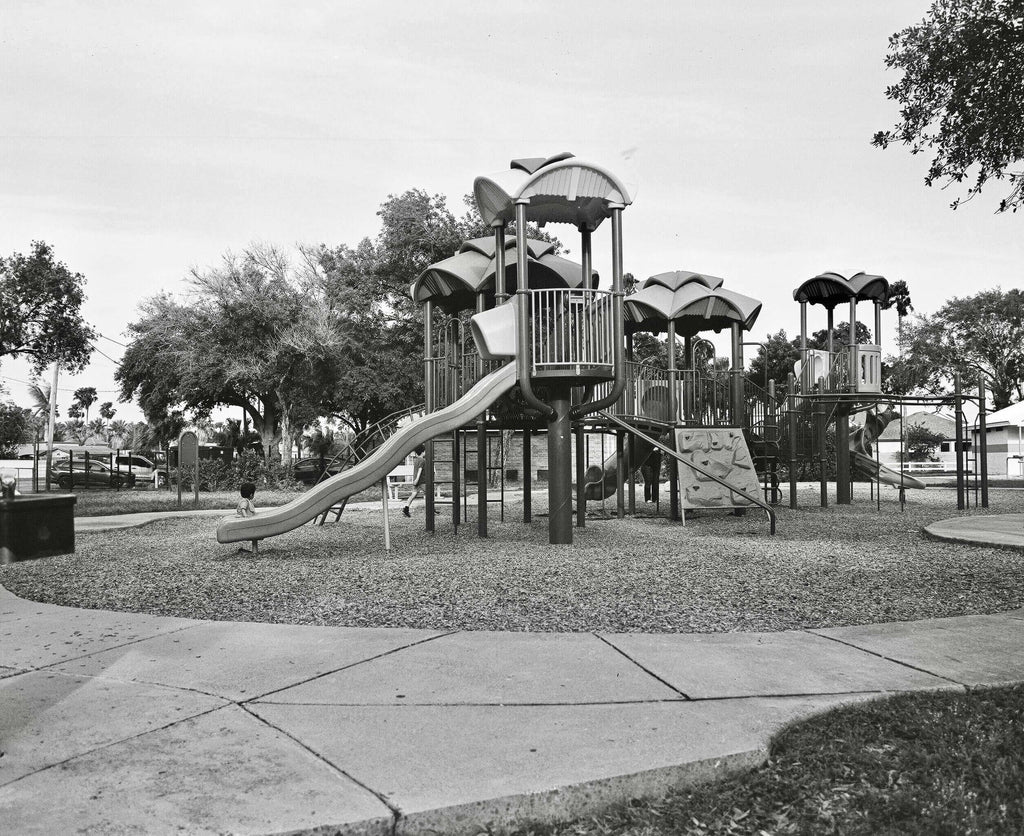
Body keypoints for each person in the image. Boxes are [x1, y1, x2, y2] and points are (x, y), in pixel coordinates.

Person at [402, 445, 426, 517]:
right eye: (425, 451)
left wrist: (415, 480)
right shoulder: (422, 460)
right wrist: (417, 480)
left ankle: (406, 509)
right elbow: (419, 470)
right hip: (421, 481)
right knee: (429, 494)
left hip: (416, 481)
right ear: (422, 452)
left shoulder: (416, 460)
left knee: (413, 495)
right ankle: (431, 509)